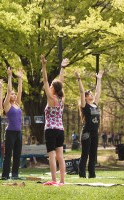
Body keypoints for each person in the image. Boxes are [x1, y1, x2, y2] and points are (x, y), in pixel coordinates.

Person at [41, 55, 69, 185]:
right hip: (60, 130)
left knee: (52, 156)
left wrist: (44, 65)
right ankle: (62, 181)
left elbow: (45, 81)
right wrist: (62, 68)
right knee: (60, 156)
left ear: (53, 87)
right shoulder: (61, 99)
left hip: (51, 130)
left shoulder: (51, 98)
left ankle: (53, 180)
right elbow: (60, 82)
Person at [75, 69, 104, 178]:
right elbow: (82, 92)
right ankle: (82, 175)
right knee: (85, 154)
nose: (92, 95)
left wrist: (99, 79)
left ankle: (92, 174)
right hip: (87, 132)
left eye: (91, 94)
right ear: (86, 97)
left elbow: (98, 92)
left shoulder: (95, 105)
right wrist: (79, 79)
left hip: (94, 132)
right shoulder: (84, 106)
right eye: (90, 94)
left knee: (93, 155)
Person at [1, 67, 23, 180]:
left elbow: (20, 91)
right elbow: (9, 91)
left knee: (17, 155)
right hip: (10, 133)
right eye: (12, 94)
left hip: (18, 132)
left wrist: (20, 79)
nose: (14, 95)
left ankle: (15, 174)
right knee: (8, 155)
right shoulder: (7, 105)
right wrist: (9, 76)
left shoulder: (17, 104)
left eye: (14, 95)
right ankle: (5, 175)